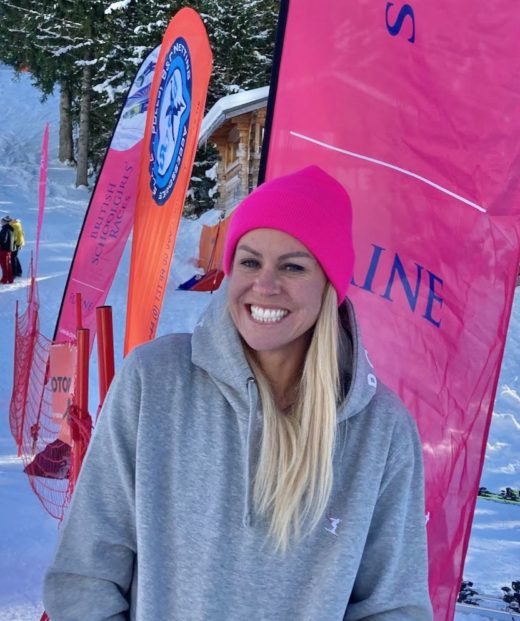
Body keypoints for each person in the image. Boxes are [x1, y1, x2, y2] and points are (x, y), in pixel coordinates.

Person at [43, 165, 433, 620]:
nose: (264, 286)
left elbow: (393, 606)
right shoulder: (154, 382)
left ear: (330, 285)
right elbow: (85, 576)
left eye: (292, 266)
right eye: (249, 262)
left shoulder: (381, 431)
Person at [0, 215, 16, 284]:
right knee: (8, 265)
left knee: (4, 265)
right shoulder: (10, 229)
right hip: (8, 250)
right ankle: (10, 279)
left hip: (4, 250)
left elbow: (3, 240)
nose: (1, 222)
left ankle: (5, 279)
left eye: (2, 221)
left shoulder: (5, 229)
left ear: (5, 222)